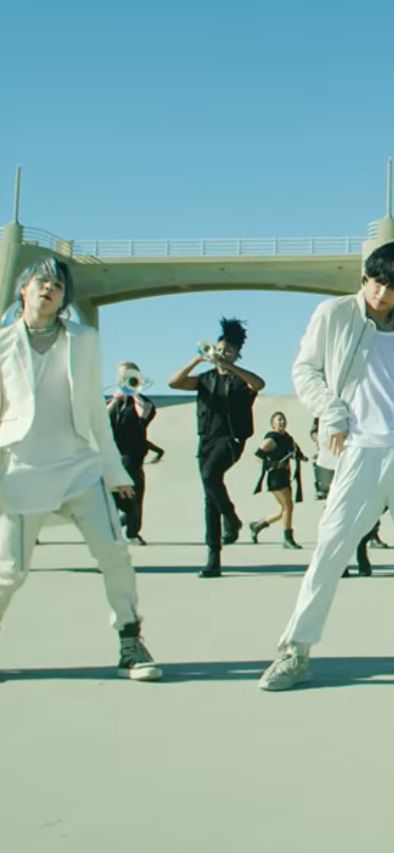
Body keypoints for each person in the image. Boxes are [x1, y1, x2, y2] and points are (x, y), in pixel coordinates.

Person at [259, 241, 394, 690]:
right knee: (330, 550)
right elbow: (305, 371)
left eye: (393, 288)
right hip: (359, 449)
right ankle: (294, 652)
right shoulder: (334, 314)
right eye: (376, 282)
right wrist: (332, 412)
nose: (381, 293)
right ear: (364, 278)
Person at [0, 258, 160, 680]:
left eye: (57, 285)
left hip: (79, 467)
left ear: (64, 298)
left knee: (115, 553)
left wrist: (115, 471)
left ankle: (130, 641)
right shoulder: (3, 343)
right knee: (9, 572)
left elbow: (93, 410)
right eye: (42, 281)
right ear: (24, 289)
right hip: (21, 469)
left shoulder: (84, 339)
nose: (49, 288)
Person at [168, 318, 264, 578]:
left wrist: (230, 367)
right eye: (220, 349)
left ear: (237, 354)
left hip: (231, 440)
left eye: (229, 351)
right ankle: (214, 558)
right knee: (210, 496)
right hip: (206, 440)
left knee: (210, 476)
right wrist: (197, 359)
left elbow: (258, 384)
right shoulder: (205, 379)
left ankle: (231, 519)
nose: (223, 353)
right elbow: (174, 383)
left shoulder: (240, 380)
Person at [107, 361, 156, 545]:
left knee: (134, 498)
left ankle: (133, 533)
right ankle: (111, 531)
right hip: (113, 457)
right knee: (111, 499)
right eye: (122, 375)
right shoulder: (114, 402)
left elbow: (146, 412)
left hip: (132, 458)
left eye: (129, 374)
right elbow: (102, 419)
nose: (124, 377)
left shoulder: (142, 402)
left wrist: (134, 392)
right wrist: (115, 399)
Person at [248, 411, 307, 549]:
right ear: (273, 424)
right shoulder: (271, 439)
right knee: (288, 507)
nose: (282, 422)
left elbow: (296, 451)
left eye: (283, 419)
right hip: (275, 478)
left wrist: (301, 457)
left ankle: (258, 525)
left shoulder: (288, 438)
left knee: (284, 510)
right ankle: (288, 539)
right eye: (279, 420)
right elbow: (257, 457)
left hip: (285, 476)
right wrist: (272, 464)